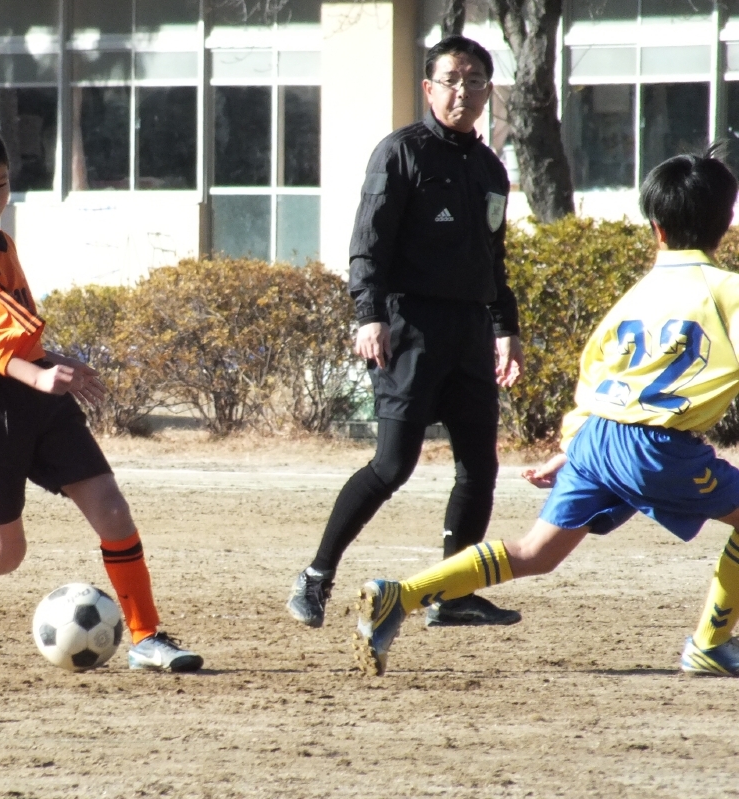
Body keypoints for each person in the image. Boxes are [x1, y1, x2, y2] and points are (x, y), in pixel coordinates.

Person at [355, 147, 739, 677]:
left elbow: (596, 377)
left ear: (657, 228)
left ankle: (399, 595)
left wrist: (572, 449)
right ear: (727, 220)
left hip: (598, 437)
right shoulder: (727, 291)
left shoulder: (635, 297)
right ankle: (709, 644)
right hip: (654, 446)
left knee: (536, 553)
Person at [0, 121, 203, 673]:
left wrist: (53, 360)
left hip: (36, 393)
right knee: (2, 556)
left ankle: (146, 636)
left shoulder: (1, 242)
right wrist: (38, 375)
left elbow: (17, 330)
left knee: (112, 508)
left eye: (2, 184)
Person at [286, 35, 525, 630]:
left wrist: (505, 327)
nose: (463, 91)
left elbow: (493, 258)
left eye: (475, 80)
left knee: (480, 468)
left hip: (470, 330)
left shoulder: (491, 169)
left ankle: (452, 595)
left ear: (488, 90)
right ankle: (315, 576)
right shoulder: (400, 153)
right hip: (408, 327)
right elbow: (367, 244)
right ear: (428, 88)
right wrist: (368, 314)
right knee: (393, 465)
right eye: (451, 79)